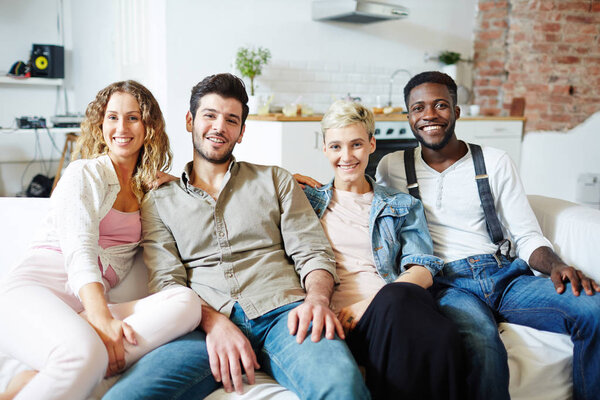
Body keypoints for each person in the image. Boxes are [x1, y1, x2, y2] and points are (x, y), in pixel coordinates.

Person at [102, 73, 369, 400]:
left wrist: (316, 300)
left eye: (231, 120)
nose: (219, 127)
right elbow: (167, 282)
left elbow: (313, 253)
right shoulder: (159, 200)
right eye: (209, 115)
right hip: (200, 328)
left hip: (286, 314)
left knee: (343, 388)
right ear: (190, 121)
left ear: (241, 132)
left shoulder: (275, 180)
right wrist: (214, 324)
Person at [374, 71, 600, 400]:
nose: (429, 115)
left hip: (503, 276)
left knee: (593, 310)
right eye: (418, 108)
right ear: (408, 116)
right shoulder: (392, 166)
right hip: (446, 285)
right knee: (483, 347)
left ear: (456, 111)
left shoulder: (494, 161)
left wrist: (556, 266)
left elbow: (526, 235)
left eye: (440, 105)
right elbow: (357, 198)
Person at [0, 80, 203, 400]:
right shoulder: (84, 173)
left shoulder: (147, 190)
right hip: (31, 296)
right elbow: (79, 250)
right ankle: (73, 361)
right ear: (100, 123)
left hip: (82, 315)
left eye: (133, 117)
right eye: (112, 117)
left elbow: (210, 199)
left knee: (187, 305)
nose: (121, 127)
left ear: (148, 126)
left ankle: (38, 377)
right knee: (86, 354)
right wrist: (100, 316)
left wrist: (283, 180)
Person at [297, 100, 467, 399]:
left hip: (388, 309)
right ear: (324, 149)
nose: (346, 156)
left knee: (439, 330)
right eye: (336, 146)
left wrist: (367, 305)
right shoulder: (306, 202)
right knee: (440, 333)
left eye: (356, 144)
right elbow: (250, 188)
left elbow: (423, 269)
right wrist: (281, 175)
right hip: (337, 318)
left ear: (372, 144)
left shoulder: (401, 205)